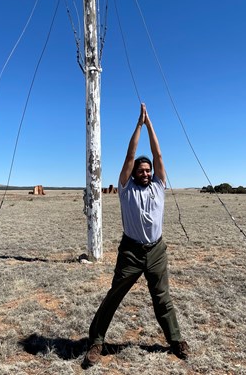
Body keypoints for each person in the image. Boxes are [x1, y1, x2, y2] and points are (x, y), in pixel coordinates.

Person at [82, 103, 189, 369]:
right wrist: (138, 126)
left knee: (162, 297)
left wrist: (150, 124)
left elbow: (159, 154)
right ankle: (96, 342)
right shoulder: (125, 188)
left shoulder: (158, 186)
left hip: (156, 251)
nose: (145, 172)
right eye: (141, 170)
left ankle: (176, 340)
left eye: (147, 170)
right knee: (114, 295)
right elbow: (130, 156)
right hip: (131, 251)